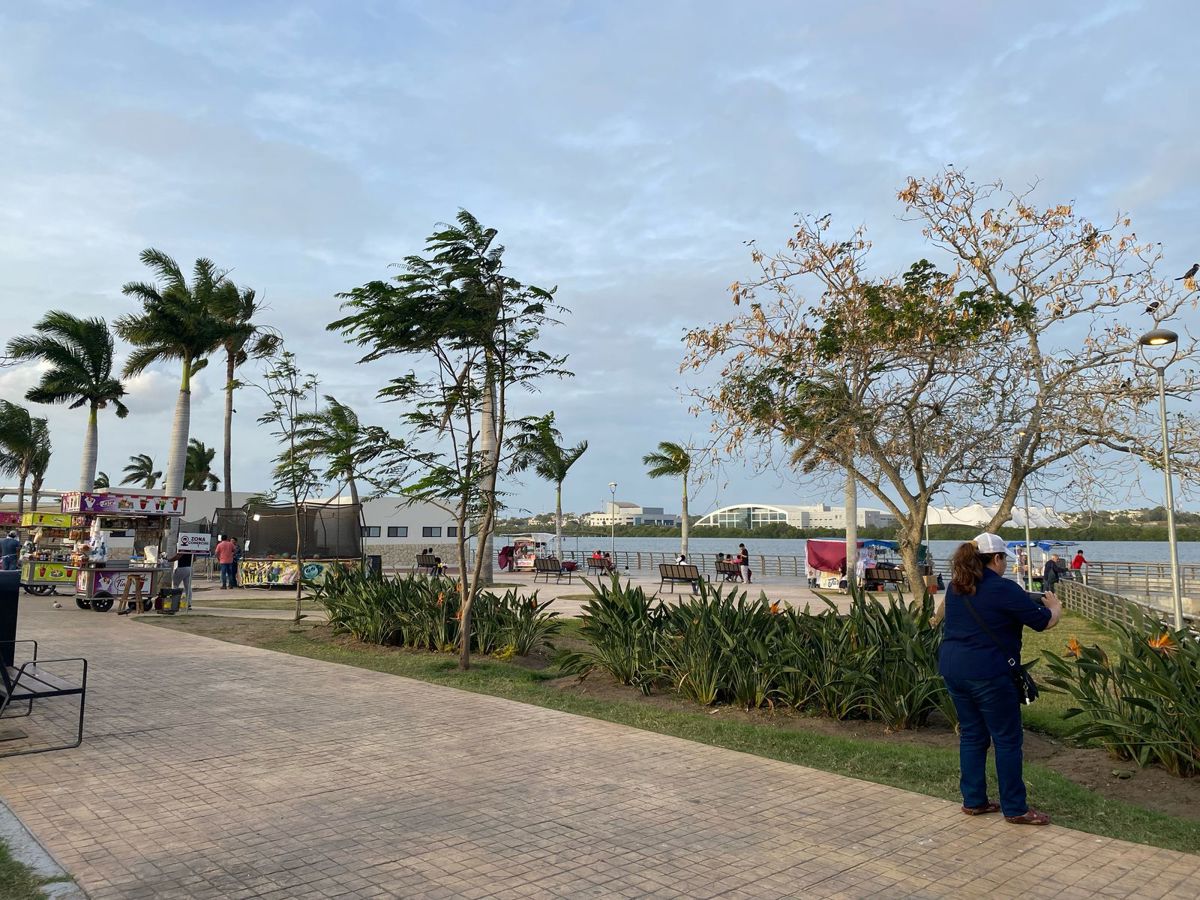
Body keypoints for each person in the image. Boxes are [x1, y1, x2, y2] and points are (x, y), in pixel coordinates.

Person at [939, 532, 1062, 826]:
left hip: (953, 668)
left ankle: (974, 801)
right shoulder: (1004, 589)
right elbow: (1042, 622)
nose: (1005, 563)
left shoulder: (956, 588)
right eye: (1004, 558)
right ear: (996, 558)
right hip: (989, 672)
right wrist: (1054, 607)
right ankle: (1015, 808)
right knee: (1006, 739)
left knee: (972, 735)